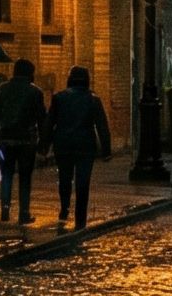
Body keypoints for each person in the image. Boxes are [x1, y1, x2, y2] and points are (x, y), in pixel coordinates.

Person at [42, 65, 116, 228]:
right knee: (83, 181)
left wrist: (44, 146)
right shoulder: (93, 99)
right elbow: (102, 125)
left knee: (64, 178)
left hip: (63, 143)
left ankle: (64, 208)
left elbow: (49, 123)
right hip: (85, 144)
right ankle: (80, 215)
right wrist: (106, 150)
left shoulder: (59, 98)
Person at [0, 59, 47, 225]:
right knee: (25, 177)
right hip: (26, 140)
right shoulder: (35, 92)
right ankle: (24, 212)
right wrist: (44, 143)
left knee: (6, 174)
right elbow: (41, 118)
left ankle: (5, 210)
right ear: (30, 73)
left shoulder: (1, 90)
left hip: (5, 139)